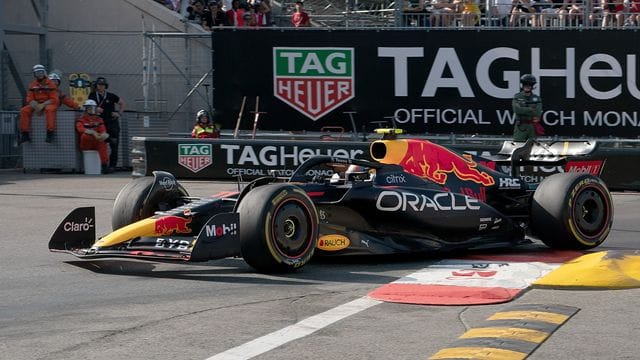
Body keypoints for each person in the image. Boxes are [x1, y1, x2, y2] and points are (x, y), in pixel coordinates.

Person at [88, 76, 125, 173]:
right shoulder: (92, 95)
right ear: (96, 86)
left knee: (115, 145)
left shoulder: (110, 96)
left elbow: (122, 103)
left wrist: (119, 113)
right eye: (99, 85)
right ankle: (103, 164)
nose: (101, 87)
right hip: (100, 122)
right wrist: (96, 109)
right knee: (101, 141)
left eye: (103, 85)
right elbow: (88, 108)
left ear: (106, 86)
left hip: (112, 121)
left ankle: (113, 166)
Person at [19, 64, 60, 144]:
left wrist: (43, 105)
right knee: (24, 110)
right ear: (34, 74)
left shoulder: (51, 84)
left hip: (49, 103)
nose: (40, 74)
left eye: (41, 72)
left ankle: (50, 133)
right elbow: (29, 98)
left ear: (44, 72)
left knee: (49, 110)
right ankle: (25, 134)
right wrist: (35, 105)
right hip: (36, 104)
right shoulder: (32, 85)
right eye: (37, 72)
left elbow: (54, 99)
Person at [76, 99, 110, 174]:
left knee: (102, 142)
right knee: (85, 136)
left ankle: (104, 165)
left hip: (96, 142)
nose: (92, 110)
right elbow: (80, 129)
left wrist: (103, 135)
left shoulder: (99, 119)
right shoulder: (81, 120)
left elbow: (103, 130)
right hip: (86, 144)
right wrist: (93, 132)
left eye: (93, 108)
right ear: (85, 109)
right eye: (90, 108)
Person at [512, 74, 543, 141]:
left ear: (533, 86)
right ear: (522, 85)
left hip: (532, 127)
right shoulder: (517, 96)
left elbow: (537, 113)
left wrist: (523, 108)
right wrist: (530, 109)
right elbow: (516, 110)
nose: (527, 86)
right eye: (525, 84)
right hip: (520, 126)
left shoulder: (537, 98)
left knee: (532, 147)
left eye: (530, 84)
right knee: (518, 146)